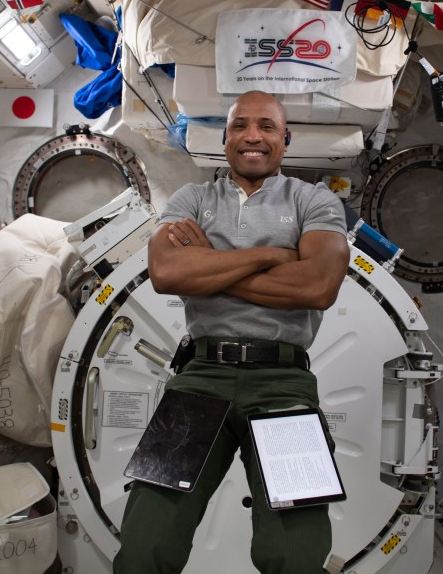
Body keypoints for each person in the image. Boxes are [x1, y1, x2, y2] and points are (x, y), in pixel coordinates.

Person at [113, 90, 350, 574]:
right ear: (224, 138)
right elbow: (167, 274)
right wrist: (272, 256)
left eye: (266, 126)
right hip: (200, 376)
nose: (252, 136)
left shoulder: (314, 200)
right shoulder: (192, 199)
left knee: (295, 554)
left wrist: (211, 265)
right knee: (144, 544)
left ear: (285, 139)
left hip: (283, 385)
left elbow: (319, 284)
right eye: (240, 126)